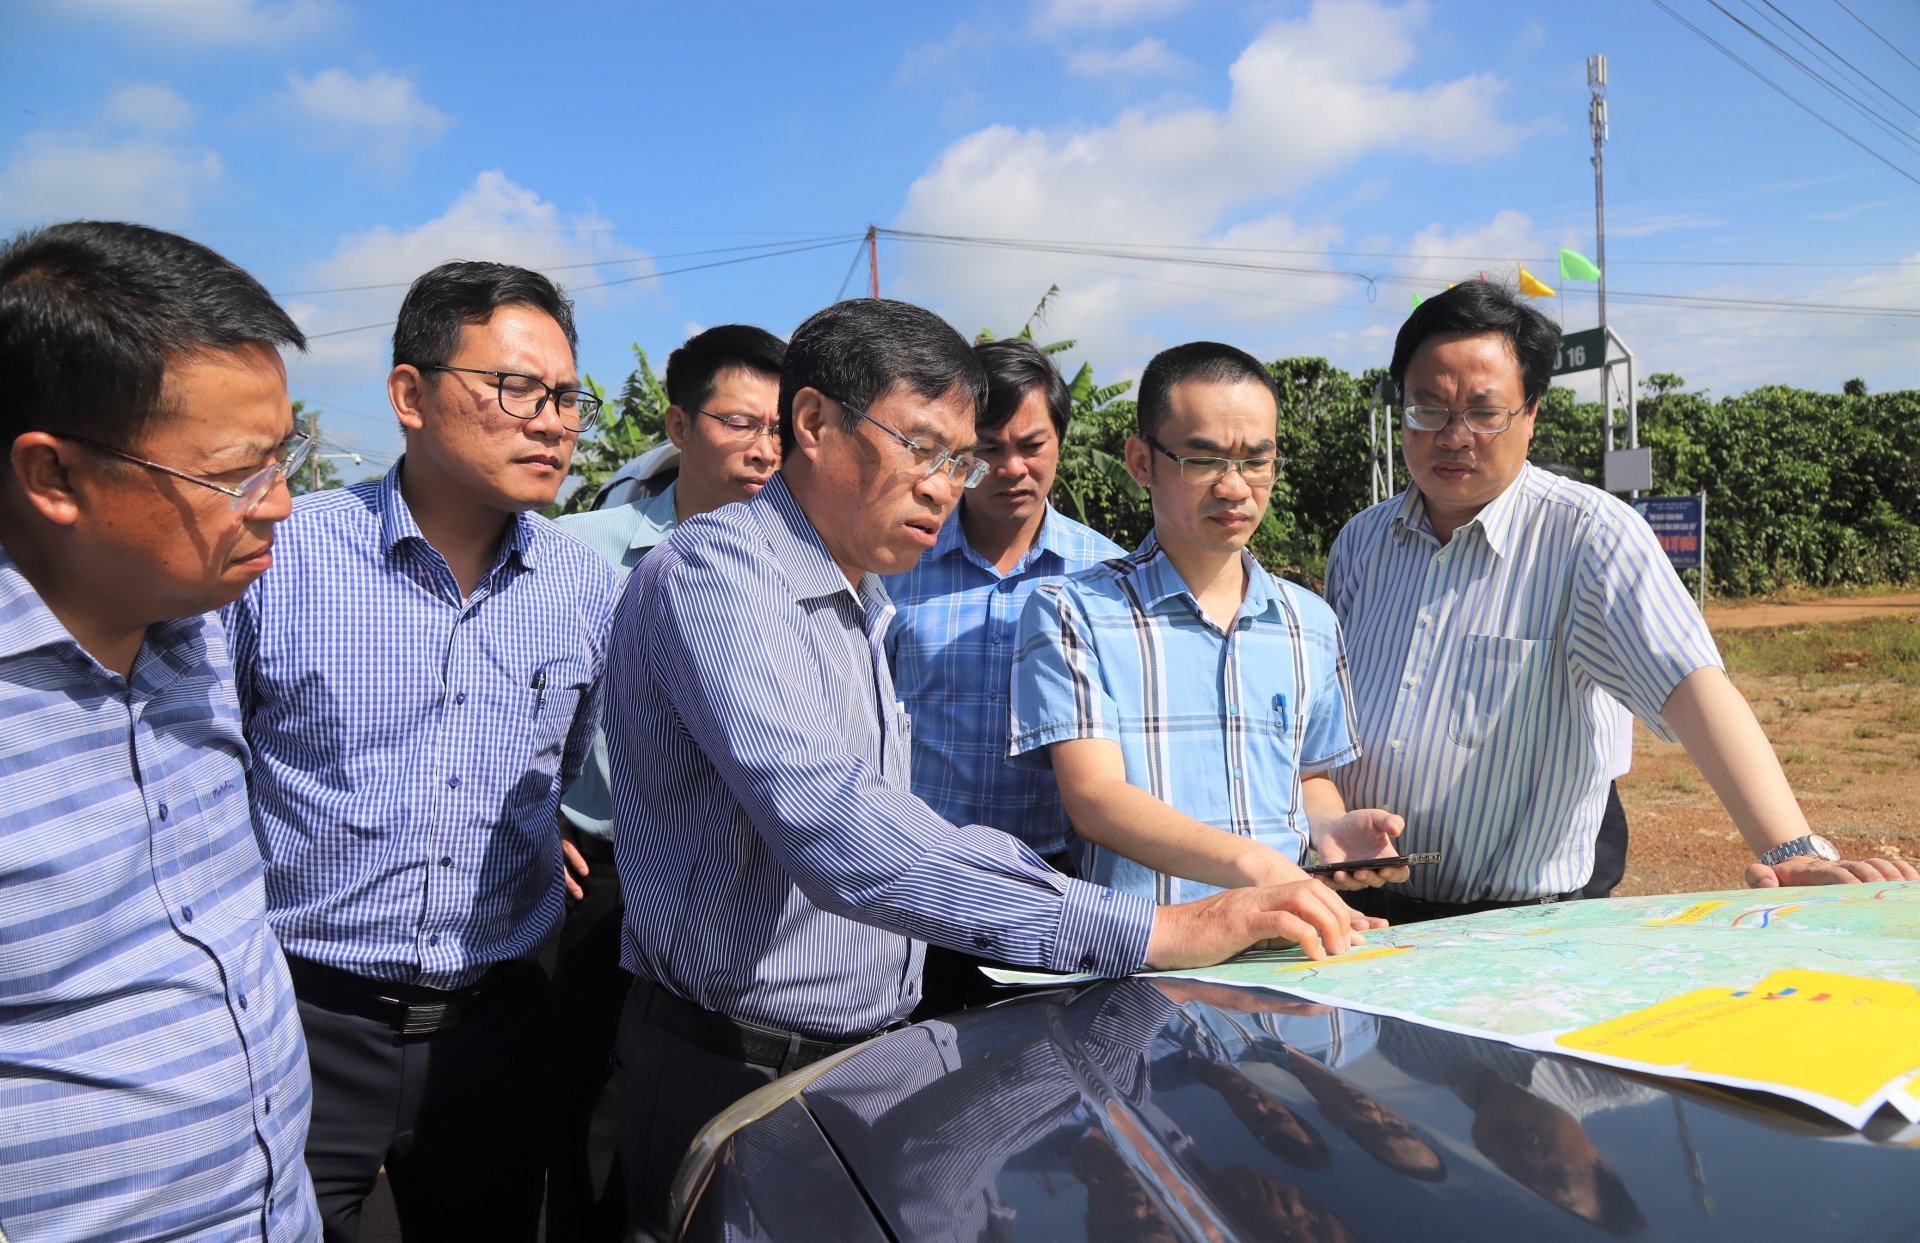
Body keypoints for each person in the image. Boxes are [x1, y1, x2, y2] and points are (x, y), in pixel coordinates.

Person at [604, 298, 1375, 1239]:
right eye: (922, 448)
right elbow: (838, 830)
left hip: (866, 1047)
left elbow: (903, 824)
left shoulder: (860, 594)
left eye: (954, 460)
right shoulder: (720, 576)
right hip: (732, 1066)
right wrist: (1154, 929)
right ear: (812, 423)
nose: (945, 484)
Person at [223, 261, 621, 1240]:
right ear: (409, 394)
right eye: (517, 389)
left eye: (567, 397)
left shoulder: (584, 586)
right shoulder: (283, 560)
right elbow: (210, 777)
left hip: (497, 1026)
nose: (553, 421)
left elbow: (561, 770)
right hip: (302, 1021)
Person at [1325, 280, 1918, 923]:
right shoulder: (1362, 543)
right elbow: (1324, 720)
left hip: (1526, 925)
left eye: (1484, 411)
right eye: (1429, 408)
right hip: (1366, 911)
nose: (1454, 435)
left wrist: (1793, 849)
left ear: (1531, 415)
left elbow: (1691, 686)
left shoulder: (1588, 537)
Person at [0, 220, 319, 1240]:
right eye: (235, 474)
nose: (280, 503)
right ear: (52, 477)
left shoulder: (203, 630)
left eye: (286, 454)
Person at [1010, 341, 1407, 904]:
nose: (1235, 486)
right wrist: (1255, 866)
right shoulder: (1072, 611)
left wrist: (1331, 830)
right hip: (1149, 961)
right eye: (1203, 459)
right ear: (1141, 461)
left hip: (1289, 948)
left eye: (1255, 461)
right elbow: (1094, 798)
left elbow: (1310, 777)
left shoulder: (1310, 622)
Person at [544, 322, 785, 1242]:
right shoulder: (581, 549)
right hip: (589, 871)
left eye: (778, 427)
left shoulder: (792, 562)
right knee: (564, 1093)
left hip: (717, 879)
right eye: (737, 421)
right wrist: (530, 816)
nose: (763, 447)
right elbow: (510, 699)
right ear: (679, 426)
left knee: (679, 1113)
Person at [882, 337, 1123, 1016]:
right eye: (989, 447)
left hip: (1052, 893)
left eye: (1033, 444)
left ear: (1059, 443)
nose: (1012, 468)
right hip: (919, 890)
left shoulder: (1105, 578)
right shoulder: (900, 562)